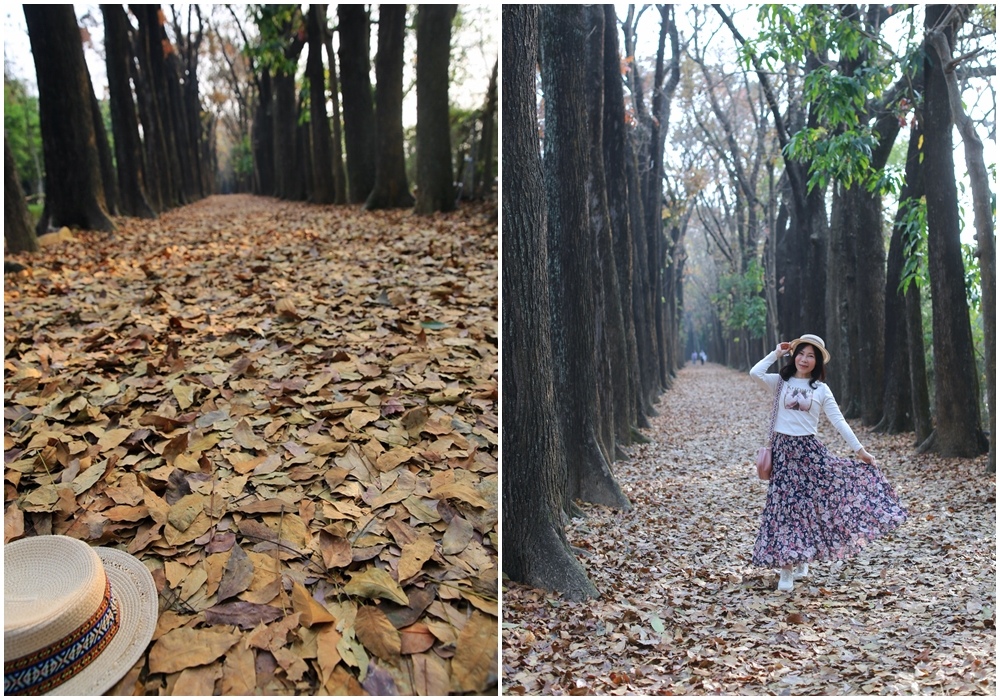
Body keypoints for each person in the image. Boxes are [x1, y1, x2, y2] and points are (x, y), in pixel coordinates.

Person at [749, 334, 907, 592]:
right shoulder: (780, 382)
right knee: (784, 509)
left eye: (811, 356)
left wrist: (860, 451)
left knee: (809, 509)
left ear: (817, 361)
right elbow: (755, 373)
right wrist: (777, 353)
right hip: (783, 453)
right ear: (794, 355)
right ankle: (786, 569)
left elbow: (839, 422)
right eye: (801, 353)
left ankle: (802, 558)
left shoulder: (821, 390)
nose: (804, 359)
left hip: (810, 454)